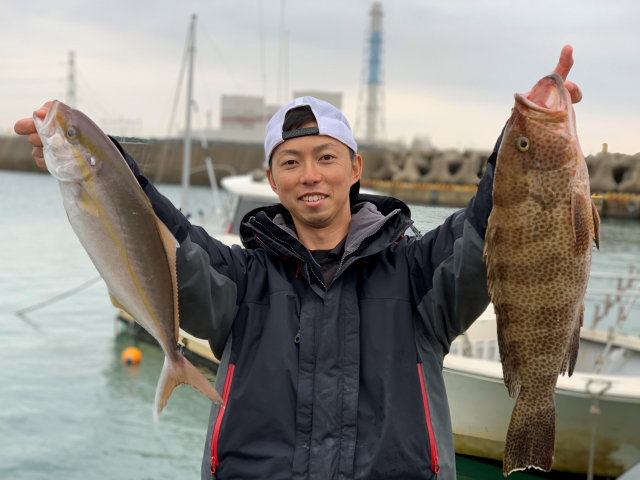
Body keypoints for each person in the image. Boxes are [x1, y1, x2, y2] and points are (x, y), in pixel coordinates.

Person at [15, 46, 582, 480]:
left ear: (355, 167)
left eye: (325, 157)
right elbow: (174, 240)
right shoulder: (241, 281)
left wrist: (522, 135)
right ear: (271, 179)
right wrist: (100, 163)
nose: (310, 175)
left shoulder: (419, 276)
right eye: (290, 161)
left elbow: (490, 222)